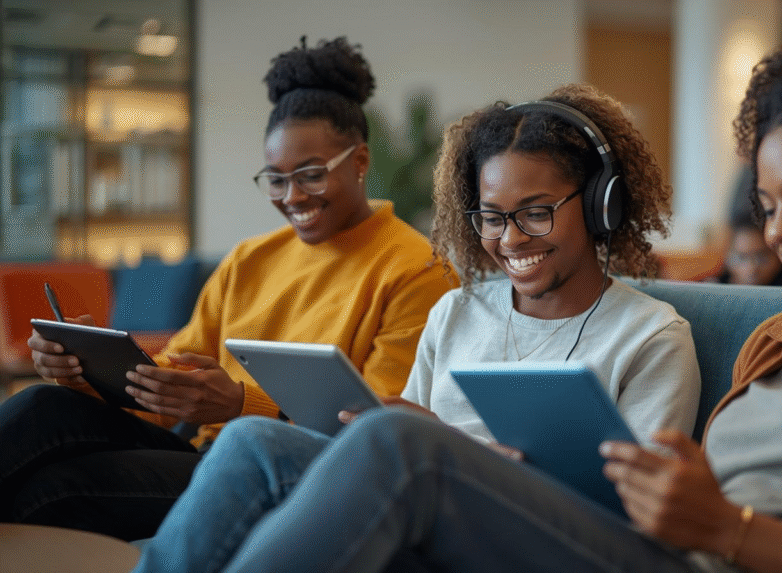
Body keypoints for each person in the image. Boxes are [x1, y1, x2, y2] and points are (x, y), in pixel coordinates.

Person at [139, 6, 782, 572]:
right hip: (649, 543)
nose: (775, 231)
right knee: (260, 442)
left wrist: (724, 526)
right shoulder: (778, 337)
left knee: (403, 448)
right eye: (765, 203)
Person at [132, 83, 702, 572]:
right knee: (252, 440)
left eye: (535, 212)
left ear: (603, 205)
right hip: (431, 529)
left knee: (401, 440)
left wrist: (454, 452)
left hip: (559, 548)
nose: (511, 239)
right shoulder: (458, 312)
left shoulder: (650, 338)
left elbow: (646, 516)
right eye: (491, 217)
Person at [0, 37, 454, 541]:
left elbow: (378, 428)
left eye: (310, 175)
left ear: (361, 160)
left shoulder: (416, 270)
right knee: (42, 405)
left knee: (54, 489)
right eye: (275, 180)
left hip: (291, 470)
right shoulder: (250, 259)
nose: (292, 196)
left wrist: (240, 402)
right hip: (201, 451)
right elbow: (167, 381)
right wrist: (85, 371)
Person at [714, 205, 782, 286]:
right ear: (727, 258)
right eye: (741, 258)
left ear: (779, 255)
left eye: (761, 258)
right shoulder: (713, 288)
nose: (751, 269)